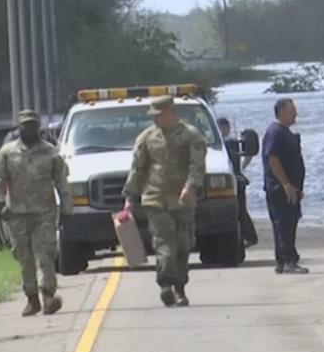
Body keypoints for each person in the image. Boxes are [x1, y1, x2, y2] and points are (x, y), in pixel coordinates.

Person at [122, 95, 207, 307]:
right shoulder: (147, 138)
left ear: (171, 112)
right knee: (164, 242)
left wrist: (190, 187)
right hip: (155, 199)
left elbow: (197, 166)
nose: (156, 119)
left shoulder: (191, 135)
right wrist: (130, 197)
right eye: (153, 116)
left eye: (159, 115)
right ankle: (166, 285)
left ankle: (180, 288)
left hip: (182, 199)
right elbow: (137, 169)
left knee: (183, 244)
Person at [0, 109, 73, 317]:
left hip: (44, 212)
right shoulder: (7, 153)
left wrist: (67, 207)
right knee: (24, 256)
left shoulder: (51, 152)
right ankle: (31, 298)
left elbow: (62, 182)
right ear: (19, 127)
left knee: (45, 254)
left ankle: (48, 296)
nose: (29, 128)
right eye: (25, 125)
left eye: (33, 125)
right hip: (16, 213)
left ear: (38, 127)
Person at [263, 98, 307, 274]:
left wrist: (298, 187)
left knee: (289, 223)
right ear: (281, 112)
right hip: (279, 189)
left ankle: (282, 261)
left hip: (291, 189)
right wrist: (286, 185)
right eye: (292, 110)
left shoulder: (286, 132)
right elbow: (273, 159)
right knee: (284, 224)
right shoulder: (275, 132)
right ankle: (289, 261)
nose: (295, 114)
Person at [217, 117, 258, 247]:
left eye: (225, 127)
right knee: (239, 211)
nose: (224, 130)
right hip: (225, 180)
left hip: (235, 179)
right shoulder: (220, 144)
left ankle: (249, 237)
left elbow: (249, 153)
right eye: (222, 127)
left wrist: (242, 168)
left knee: (240, 210)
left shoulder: (229, 143)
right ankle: (247, 237)